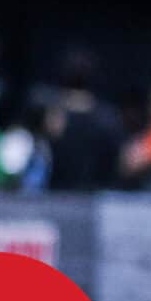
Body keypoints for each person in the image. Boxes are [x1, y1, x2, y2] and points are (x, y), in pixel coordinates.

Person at [40, 52, 127, 194]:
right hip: (95, 201)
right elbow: (122, 161)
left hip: (57, 197)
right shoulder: (106, 116)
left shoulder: (51, 114)